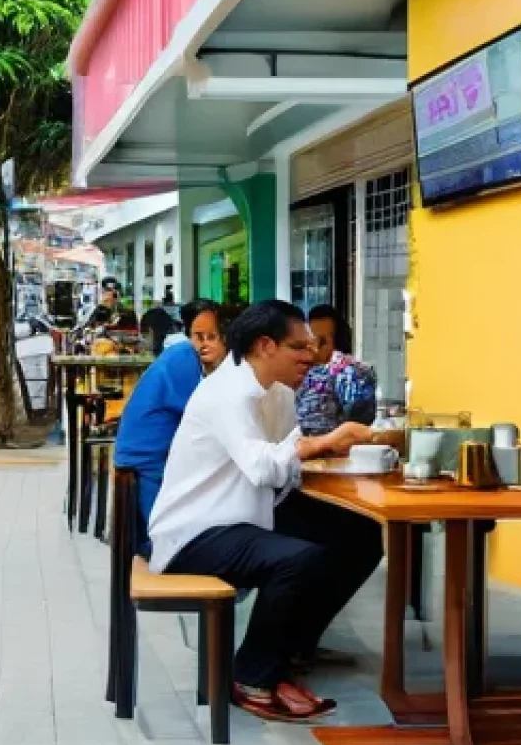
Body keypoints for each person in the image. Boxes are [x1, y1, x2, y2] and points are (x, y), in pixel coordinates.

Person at [149, 300, 382, 722]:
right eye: (299, 347)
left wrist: (328, 452)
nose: (311, 356)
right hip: (197, 530)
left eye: (312, 347)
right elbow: (262, 467)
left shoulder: (278, 394)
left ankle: (291, 646)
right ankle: (252, 676)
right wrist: (324, 442)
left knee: (360, 534)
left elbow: (282, 465)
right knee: (296, 559)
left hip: (246, 513)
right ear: (265, 345)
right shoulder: (228, 392)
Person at [115, 300, 228, 534]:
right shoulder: (184, 360)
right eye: (200, 336)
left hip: (148, 460)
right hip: (150, 466)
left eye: (212, 336)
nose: (206, 343)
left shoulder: (187, 359)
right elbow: (209, 420)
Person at [296, 304, 378, 435]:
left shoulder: (350, 370)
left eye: (320, 341)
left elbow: (361, 419)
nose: (313, 347)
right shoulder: (301, 371)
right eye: (309, 341)